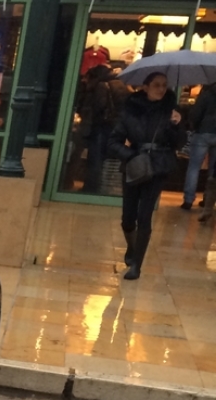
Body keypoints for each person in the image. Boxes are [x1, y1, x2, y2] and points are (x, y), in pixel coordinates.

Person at [106, 72, 185, 280]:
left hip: (158, 167)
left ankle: (137, 266)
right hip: (134, 165)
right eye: (156, 85)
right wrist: (131, 155)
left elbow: (178, 143)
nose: (161, 89)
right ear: (146, 87)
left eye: (164, 85)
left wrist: (175, 125)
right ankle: (132, 248)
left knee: (145, 215)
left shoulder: (170, 112)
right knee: (127, 218)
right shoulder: (131, 111)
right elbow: (113, 142)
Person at [76, 64, 114, 194]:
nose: (84, 80)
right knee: (99, 159)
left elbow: (98, 107)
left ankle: (91, 188)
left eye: (87, 78)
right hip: (107, 127)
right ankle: (95, 186)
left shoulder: (100, 87)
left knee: (95, 158)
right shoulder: (113, 84)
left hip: (99, 127)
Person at [183, 81, 216, 210]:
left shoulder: (206, 94)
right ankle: (208, 200)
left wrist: (195, 126)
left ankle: (188, 200)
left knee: (194, 167)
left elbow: (195, 114)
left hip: (203, 132)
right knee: (213, 170)